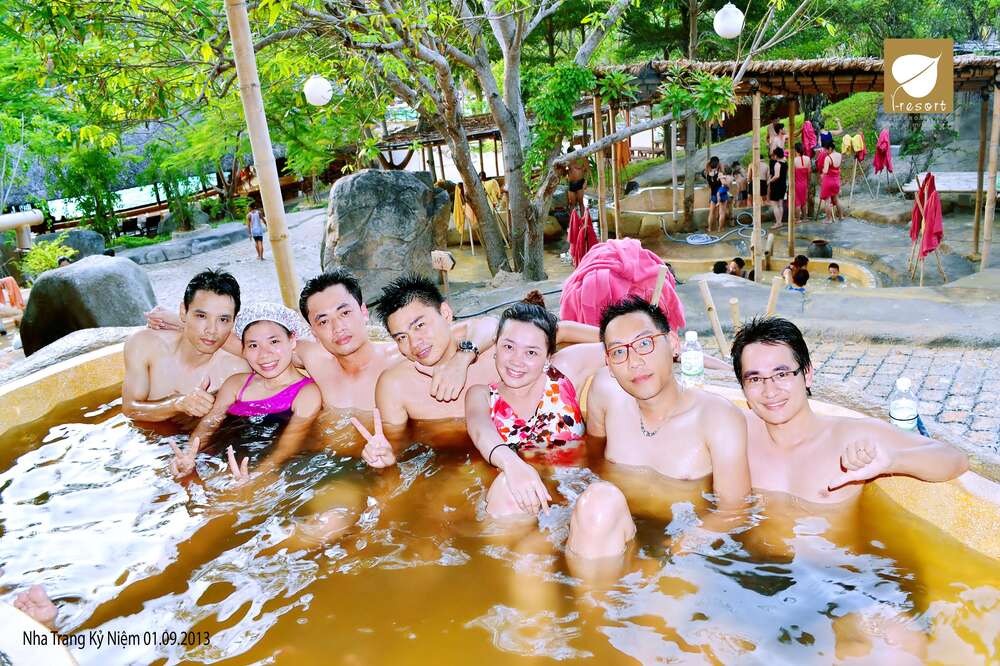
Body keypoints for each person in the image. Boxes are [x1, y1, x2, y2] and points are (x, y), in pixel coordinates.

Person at [566, 297, 751, 558]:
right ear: (608, 363)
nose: (634, 362)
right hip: (608, 526)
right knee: (597, 502)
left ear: (673, 344)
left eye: (644, 343)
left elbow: (734, 510)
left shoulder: (717, 418)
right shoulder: (605, 392)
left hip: (686, 537)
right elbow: (591, 460)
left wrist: (672, 556)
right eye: (619, 352)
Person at [364, 275, 600, 466]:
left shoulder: (499, 350)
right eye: (401, 337)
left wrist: (462, 359)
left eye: (420, 325)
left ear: (445, 313)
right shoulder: (395, 386)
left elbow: (556, 331)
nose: (415, 343)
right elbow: (397, 448)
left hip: (532, 455)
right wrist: (386, 457)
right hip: (455, 466)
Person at [730, 316, 968, 505]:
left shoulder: (849, 437)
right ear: (743, 388)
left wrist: (894, 460)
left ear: (808, 374)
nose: (770, 391)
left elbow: (954, 459)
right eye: (755, 379)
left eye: (782, 374)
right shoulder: (737, 433)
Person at [465, 291, 607, 518]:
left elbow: (622, 343)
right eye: (508, 347)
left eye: (531, 352)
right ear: (495, 347)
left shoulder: (565, 371)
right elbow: (481, 432)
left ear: (548, 357)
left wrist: (561, 329)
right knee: (504, 488)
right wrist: (513, 465)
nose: (516, 360)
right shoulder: (480, 395)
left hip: (579, 496)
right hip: (518, 505)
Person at [168, 302, 322, 483]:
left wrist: (256, 479)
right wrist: (188, 456)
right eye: (253, 345)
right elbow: (208, 425)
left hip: (266, 472)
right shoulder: (236, 384)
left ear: (292, 340)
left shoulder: (307, 393)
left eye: (274, 342)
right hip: (217, 463)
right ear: (243, 349)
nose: (264, 354)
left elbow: (285, 449)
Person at [123, 269, 248, 425]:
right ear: (183, 312)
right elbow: (130, 409)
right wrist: (176, 404)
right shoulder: (145, 345)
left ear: (234, 322)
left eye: (223, 319)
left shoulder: (236, 369)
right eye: (201, 316)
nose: (211, 330)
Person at [820, 143, 844, 224]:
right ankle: (841, 216)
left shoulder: (828, 158)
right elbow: (838, 167)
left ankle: (829, 219)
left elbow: (825, 171)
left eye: (826, 150)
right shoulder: (840, 155)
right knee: (837, 199)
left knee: (827, 200)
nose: (826, 151)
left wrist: (822, 171)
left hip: (828, 181)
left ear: (830, 148)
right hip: (836, 180)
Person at [768, 147, 788, 230]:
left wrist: (769, 181)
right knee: (780, 204)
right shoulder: (785, 163)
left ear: (776, 155)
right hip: (783, 185)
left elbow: (776, 176)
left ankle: (778, 222)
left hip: (776, 185)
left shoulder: (777, 164)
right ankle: (780, 222)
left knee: (775, 205)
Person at [704, 157, 725, 234]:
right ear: (718, 164)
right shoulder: (720, 174)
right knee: (721, 213)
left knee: (711, 213)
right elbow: (724, 183)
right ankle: (720, 229)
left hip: (713, 195)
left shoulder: (707, 174)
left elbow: (710, 186)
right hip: (721, 194)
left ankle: (710, 228)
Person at [792, 142, 810, 221]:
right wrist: (808, 182)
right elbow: (809, 172)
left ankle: (798, 219)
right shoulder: (808, 159)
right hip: (805, 183)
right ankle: (805, 218)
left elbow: (791, 174)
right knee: (804, 201)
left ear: (795, 150)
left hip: (796, 184)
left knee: (797, 202)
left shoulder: (793, 160)